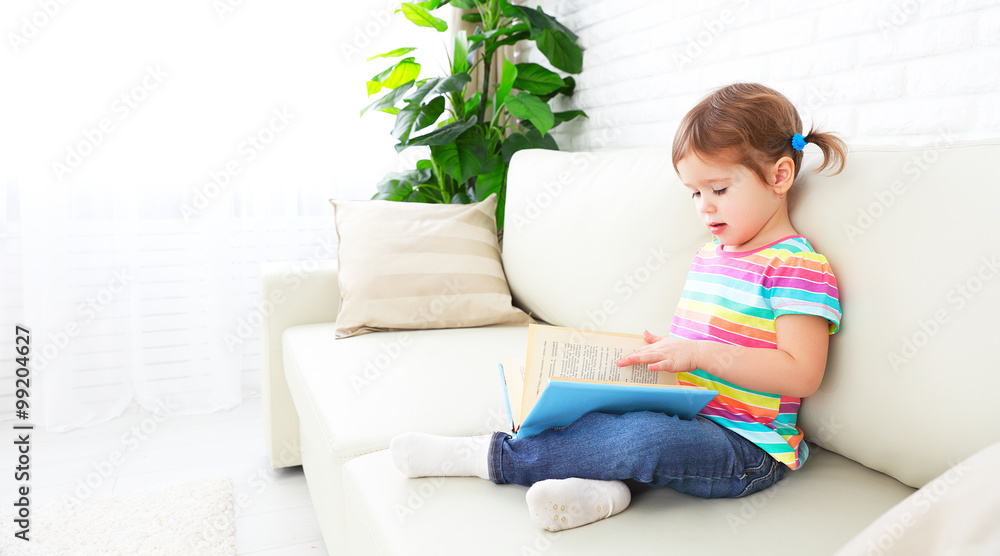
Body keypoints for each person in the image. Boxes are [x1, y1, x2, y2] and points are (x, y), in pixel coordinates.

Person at [389, 82, 848, 531]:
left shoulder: (797, 265)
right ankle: (605, 491)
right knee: (598, 409)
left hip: (748, 448)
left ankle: (490, 456)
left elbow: (801, 372)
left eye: (719, 189)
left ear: (780, 176)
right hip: (688, 412)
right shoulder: (712, 254)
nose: (704, 209)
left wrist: (696, 355)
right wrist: (661, 359)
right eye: (694, 192)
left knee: (644, 439)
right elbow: (698, 346)